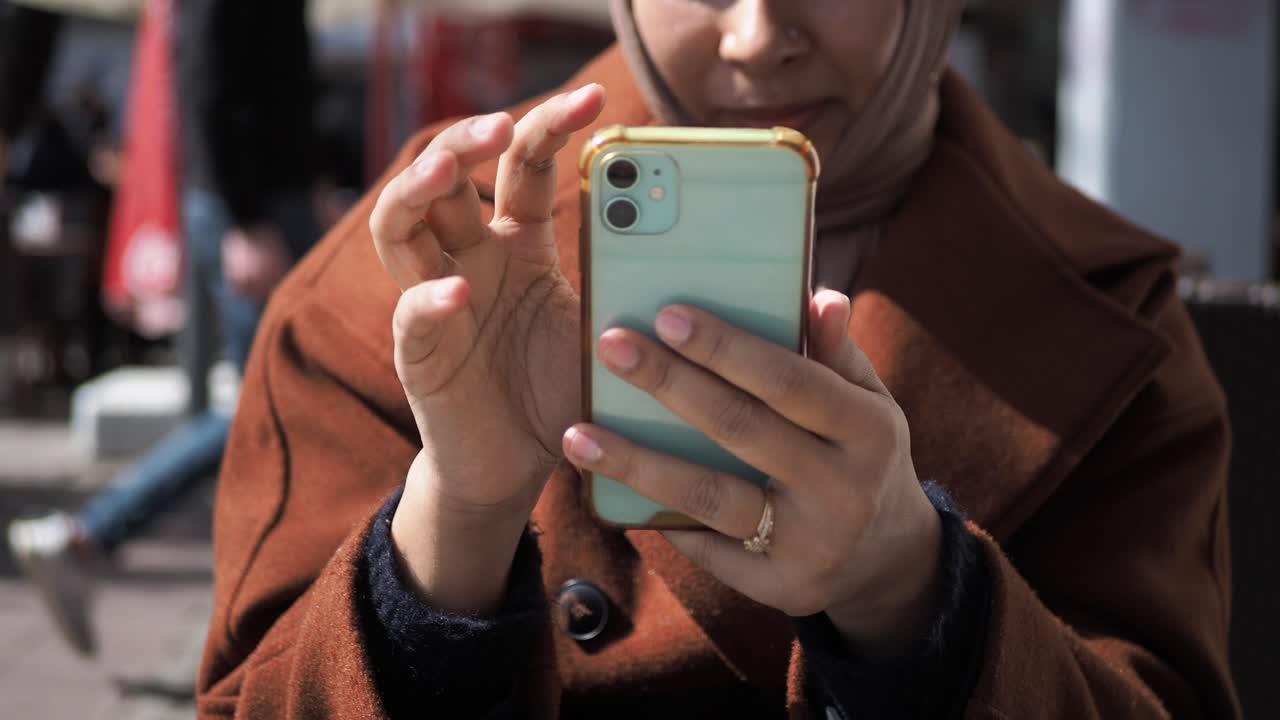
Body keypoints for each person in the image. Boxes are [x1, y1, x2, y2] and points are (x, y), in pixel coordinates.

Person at [197, 1, 1239, 717]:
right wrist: (453, 523)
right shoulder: (411, 262)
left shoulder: (1113, 322)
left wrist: (912, 591)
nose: (755, 38)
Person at [7, 0, 316, 656]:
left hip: (269, 202)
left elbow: (272, 85)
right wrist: (241, 219)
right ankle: (87, 533)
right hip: (252, 210)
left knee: (275, 403)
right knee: (275, 399)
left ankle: (98, 538)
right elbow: (203, 89)